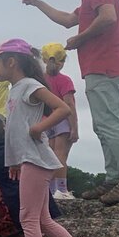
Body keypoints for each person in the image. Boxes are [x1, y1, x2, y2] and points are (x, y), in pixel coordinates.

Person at [0, 39, 109, 237]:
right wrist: (15, 161)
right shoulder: (15, 89)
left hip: (37, 159)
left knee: (28, 219)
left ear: (11, 62)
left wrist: (40, 127)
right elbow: (15, 131)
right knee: (43, 220)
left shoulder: (29, 85)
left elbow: (62, 108)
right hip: (29, 160)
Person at [19, 0, 119, 205]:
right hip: (103, 67)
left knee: (109, 124)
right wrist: (37, 2)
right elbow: (67, 20)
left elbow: (108, 17)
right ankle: (113, 180)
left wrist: (80, 38)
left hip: (104, 65)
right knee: (103, 125)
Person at [40, 43, 79, 200]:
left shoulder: (40, 80)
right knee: (61, 156)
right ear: (62, 61)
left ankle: (50, 189)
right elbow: (69, 104)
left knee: (50, 156)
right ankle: (62, 190)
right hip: (62, 120)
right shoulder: (65, 80)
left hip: (46, 121)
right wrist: (74, 127)